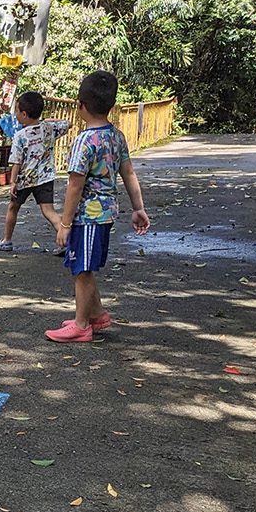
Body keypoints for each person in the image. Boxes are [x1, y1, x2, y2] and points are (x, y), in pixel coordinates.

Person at [46, 69, 150, 343]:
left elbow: (75, 186)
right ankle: (96, 314)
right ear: (111, 105)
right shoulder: (116, 136)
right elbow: (128, 172)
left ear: (80, 105)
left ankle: (82, 324)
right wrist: (138, 207)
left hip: (88, 216)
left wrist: (65, 224)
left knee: (81, 269)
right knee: (85, 265)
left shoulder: (84, 141)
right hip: (106, 213)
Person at [0, 89, 70, 251]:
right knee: (49, 211)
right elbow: (67, 124)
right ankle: (66, 242)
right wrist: (48, 120)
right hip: (45, 177)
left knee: (13, 207)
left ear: (24, 114)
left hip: (25, 178)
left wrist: (13, 181)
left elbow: (16, 161)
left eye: (17, 112)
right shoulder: (49, 128)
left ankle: (6, 240)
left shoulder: (20, 136)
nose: (16, 115)